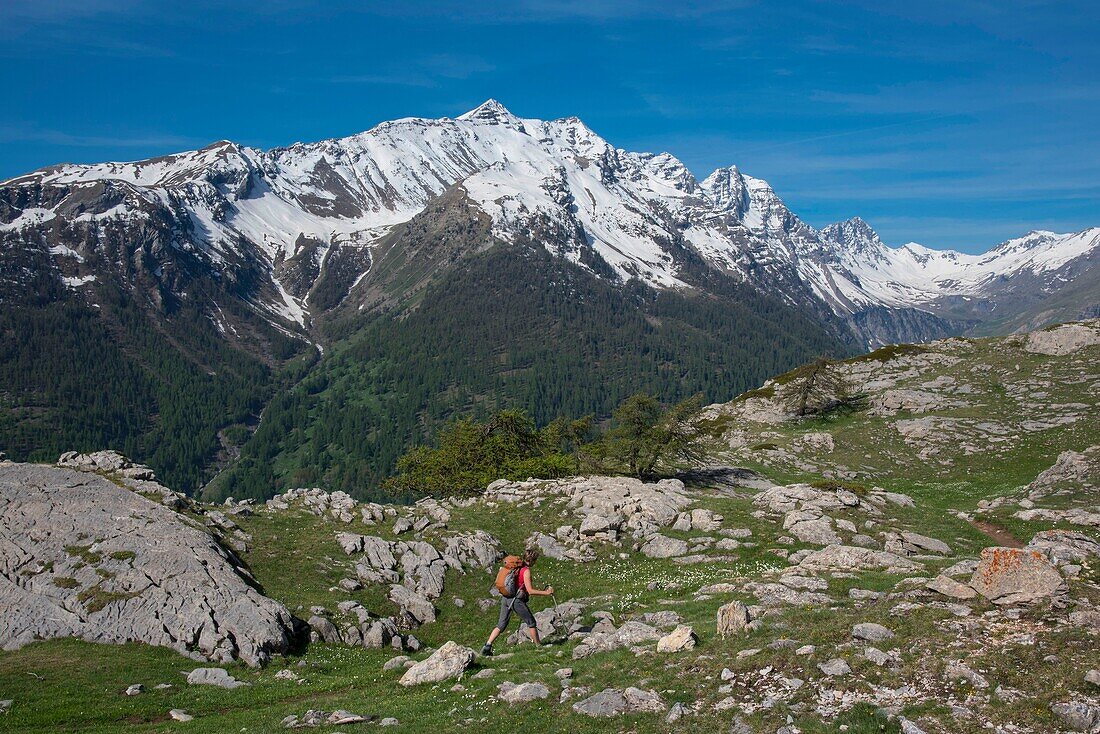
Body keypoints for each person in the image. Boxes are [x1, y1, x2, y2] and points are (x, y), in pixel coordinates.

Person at [481, 548, 554, 656]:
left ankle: (487, 645)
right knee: (531, 622)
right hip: (516, 600)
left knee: (501, 624)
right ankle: (539, 647)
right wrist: (546, 593)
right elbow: (530, 591)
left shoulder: (516, 568)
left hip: (505, 598)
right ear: (532, 560)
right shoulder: (526, 571)